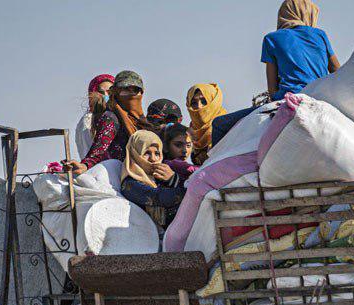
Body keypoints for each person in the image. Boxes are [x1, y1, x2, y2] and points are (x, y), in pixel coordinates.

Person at [210, 0, 340, 146]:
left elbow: (272, 90)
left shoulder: (272, 39)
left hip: (286, 100)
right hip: (320, 97)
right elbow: (336, 70)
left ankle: (211, 167)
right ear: (308, 14)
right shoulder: (320, 35)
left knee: (219, 124)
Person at [64, 70, 153, 175]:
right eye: (125, 90)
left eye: (135, 90)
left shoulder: (143, 122)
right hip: (123, 175)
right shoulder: (111, 118)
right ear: (115, 93)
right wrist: (85, 165)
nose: (131, 95)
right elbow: (100, 147)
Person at [120, 130, 186, 228]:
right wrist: (193, 191)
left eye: (157, 153)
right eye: (146, 153)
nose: (153, 159)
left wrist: (174, 179)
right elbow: (158, 196)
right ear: (135, 154)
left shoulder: (159, 178)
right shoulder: (130, 183)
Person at [75, 74, 115, 159]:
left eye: (109, 92)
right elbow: (88, 150)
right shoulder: (88, 120)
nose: (105, 96)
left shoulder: (116, 118)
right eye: (100, 92)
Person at [186, 83, 226, 165]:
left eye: (204, 101)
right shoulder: (189, 134)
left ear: (214, 102)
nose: (199, 106)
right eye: (193, 103)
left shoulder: (227, 127)